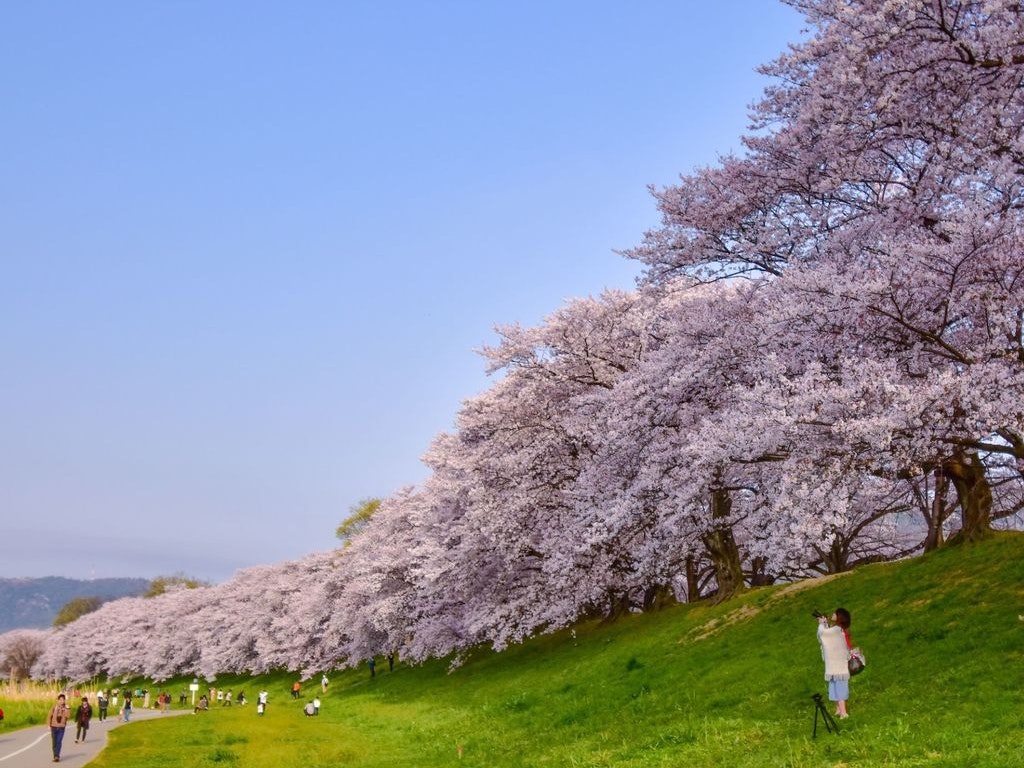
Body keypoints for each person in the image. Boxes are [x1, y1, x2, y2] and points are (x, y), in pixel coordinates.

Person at [817, 607, 853, 719]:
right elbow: (828, 635)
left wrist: (821, 624)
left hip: (838, 666)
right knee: (834, 687)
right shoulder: (838, 629)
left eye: (835, 613)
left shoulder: (837, 629)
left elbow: (823, 635)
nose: (833, 614)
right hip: (836, 665)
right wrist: (825, 624)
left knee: (840, 688)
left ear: (839, 616)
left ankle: (843, 712)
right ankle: (838, 709)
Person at [48, 693, 70, 762]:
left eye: (63, 700)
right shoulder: (54, 707)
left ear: (64, 700)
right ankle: (55, 755)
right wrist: (48, 725)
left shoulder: (66, 708)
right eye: (60, 700)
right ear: (58, 700)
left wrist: (67, 709)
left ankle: (57, 756)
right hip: (53, 727)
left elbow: (68, 716)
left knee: (59, 741)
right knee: (54, 742)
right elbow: (49, 716)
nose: (61, 701)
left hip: (61, 727)